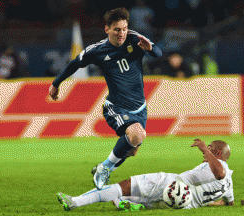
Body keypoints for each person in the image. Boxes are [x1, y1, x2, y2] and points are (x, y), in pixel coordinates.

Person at [49, 7, 162, 190]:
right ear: (107, 29)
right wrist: (56, 84)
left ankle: (105, 167)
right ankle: (105, 168)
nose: (122, 33)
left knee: (132, 150)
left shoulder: (134, 38)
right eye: (117, 29)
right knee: (137, 134)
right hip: (116, 107)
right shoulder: (97, 50)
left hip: (140, 108)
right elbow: (74, 64)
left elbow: (158, 52)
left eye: (124, 28)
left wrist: (151, 50)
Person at [57, 139, 234, 211]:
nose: (205, 153)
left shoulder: (219, 167)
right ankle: (128, 204)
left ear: (217, 153)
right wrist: (221, 203)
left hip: (172, 184)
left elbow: (220, 172)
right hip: (181, 205)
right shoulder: (229, 184)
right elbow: (229, 200)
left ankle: (75, 202)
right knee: (137, 200)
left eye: (210, 150)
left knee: (123, 187)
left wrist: (204, 148)